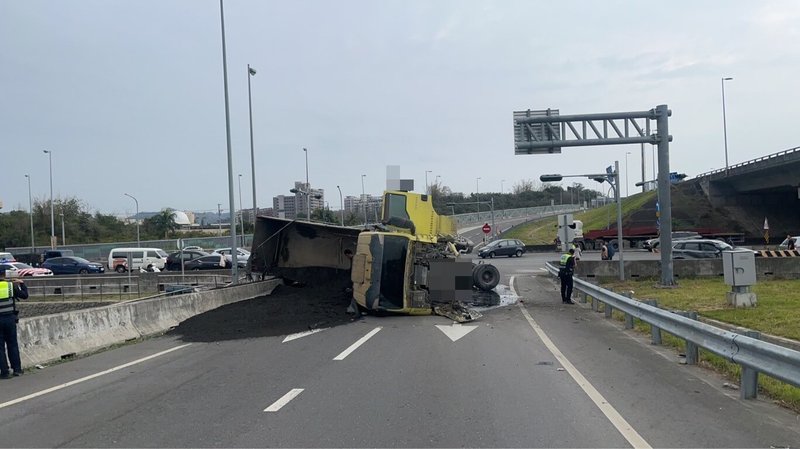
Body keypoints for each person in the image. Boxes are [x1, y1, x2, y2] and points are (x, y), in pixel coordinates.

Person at [0, 269, 29, 379]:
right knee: (12, 344)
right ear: (4, 275)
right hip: (10, 319)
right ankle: (17, 370)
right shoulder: (10, 286)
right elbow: (24, 296)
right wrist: (22, 284)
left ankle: (4, 372)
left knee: (0, 347)